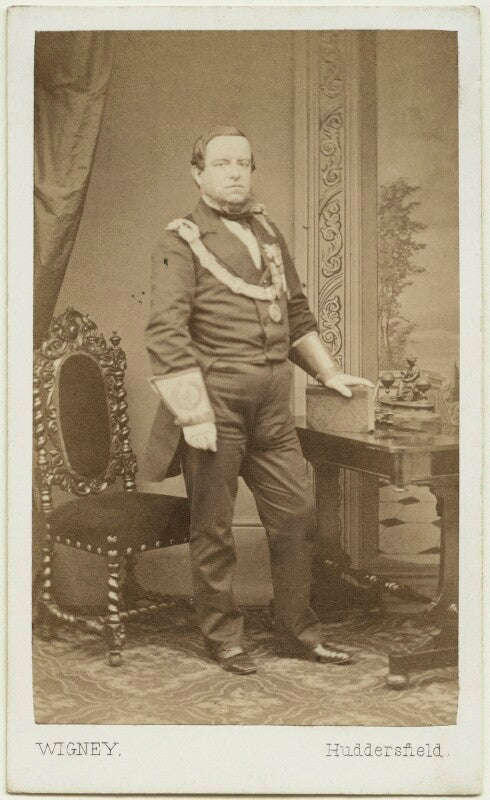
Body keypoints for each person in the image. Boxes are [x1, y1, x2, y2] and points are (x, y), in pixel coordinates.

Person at [145, 125, 373, 675]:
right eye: (222, 163)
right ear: (197, 173)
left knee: (296, 516)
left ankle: (297, 631)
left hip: (273, 404)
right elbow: (166, 333)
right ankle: (223, 637)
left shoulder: (269, 232)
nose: (235, 173)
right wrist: (192, 414)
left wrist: (328, 372)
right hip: (215, 403)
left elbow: (295, 313)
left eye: (243, 164)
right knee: (213, 526)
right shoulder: (179, 241)